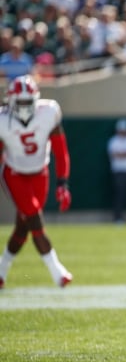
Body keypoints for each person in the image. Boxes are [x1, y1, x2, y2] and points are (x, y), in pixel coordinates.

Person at [0, 75, 73, 288]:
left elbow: (61, 152)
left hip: (40, 172)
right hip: (14, 174)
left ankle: (1, 271)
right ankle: (58, 272)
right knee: (34, 217)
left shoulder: (48, 112)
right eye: (19, 103)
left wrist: (63, 183)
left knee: (23, 228)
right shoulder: (3, 120)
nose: (24, 107)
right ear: (11, 101)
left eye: (27, 102)